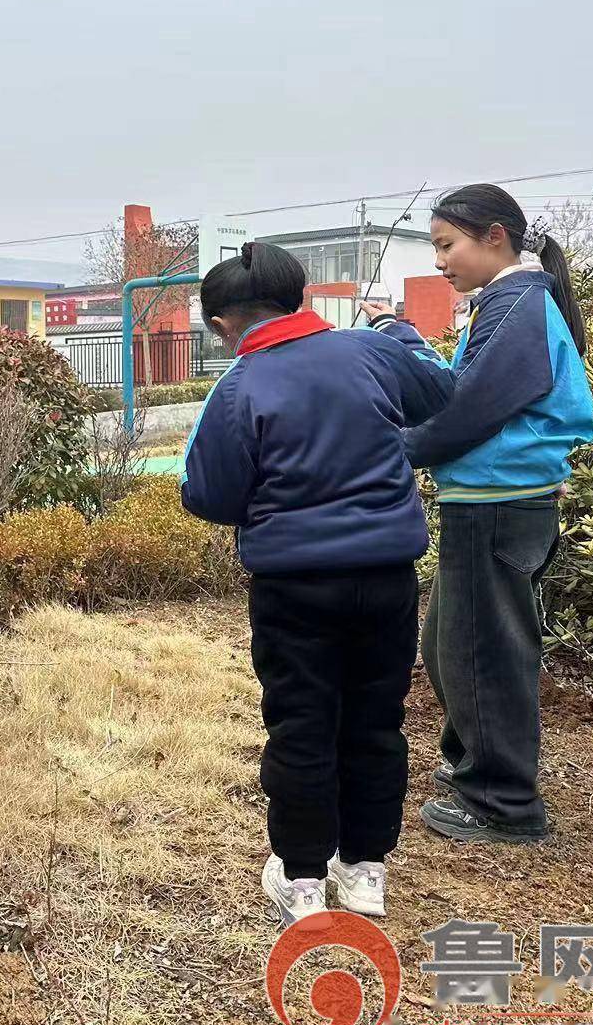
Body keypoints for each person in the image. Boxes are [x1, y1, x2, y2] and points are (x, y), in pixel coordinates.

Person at [180, 242, 454, 926]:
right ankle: (364, 873)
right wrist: (397, 329)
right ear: (297, 298)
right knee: (375, 722)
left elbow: (209, 494)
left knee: (302, 726)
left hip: (294, 588)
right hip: (386, 578)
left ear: (221, 324)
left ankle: (302, 882)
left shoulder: (240, 385)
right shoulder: (370, 352)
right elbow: (441, 389)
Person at [363, 184, 593, 846]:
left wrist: (393, 453)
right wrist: (401, 335)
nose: (439, 260)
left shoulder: (518, 304)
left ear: (495, 237)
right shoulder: (509, 303)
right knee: (450, 645)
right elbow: (466, 391)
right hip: (491, 498)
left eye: (446, 244)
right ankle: (476, 760)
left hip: (497, 503)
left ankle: (501, 799)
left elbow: (468, 409)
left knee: (483, 652)